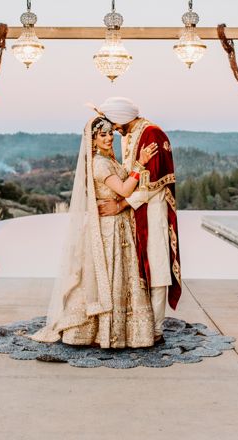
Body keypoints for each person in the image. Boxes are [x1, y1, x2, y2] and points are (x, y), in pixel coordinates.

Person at [31, 116, 158, 348]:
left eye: (110, 133)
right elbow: (123, 188)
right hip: (107, 229)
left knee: (118, 276)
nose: (109, 138)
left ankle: (122, 331)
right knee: (108, 276)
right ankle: (101, 332)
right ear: (93, 140)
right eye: (103, 135)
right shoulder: (100, 163)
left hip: (117, 223)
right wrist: (140, 164)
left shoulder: (109, 160)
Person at [97, 97, 181, 344]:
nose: (112, 129)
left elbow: (155, 184)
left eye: (113, 123)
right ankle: (138, 326)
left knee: (156, 269)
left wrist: (121, 204)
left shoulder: (152, 134)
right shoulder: (131, 134)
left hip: (152, 212)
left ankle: (155, 329)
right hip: (134, 212)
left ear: (121, 117)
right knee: (139, 270)